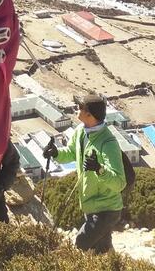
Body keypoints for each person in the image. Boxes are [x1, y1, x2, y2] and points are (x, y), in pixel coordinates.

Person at [43, 94, 126, 254]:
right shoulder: (81, 131)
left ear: (90, 115)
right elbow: (71, 152)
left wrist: (99, 169)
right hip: (90, 205)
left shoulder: (108, 143)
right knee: (102, 250)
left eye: (80, 107)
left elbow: (119, 183)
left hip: (107, 209)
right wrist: (55, 154)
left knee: (81, 244)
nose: (77, 109)